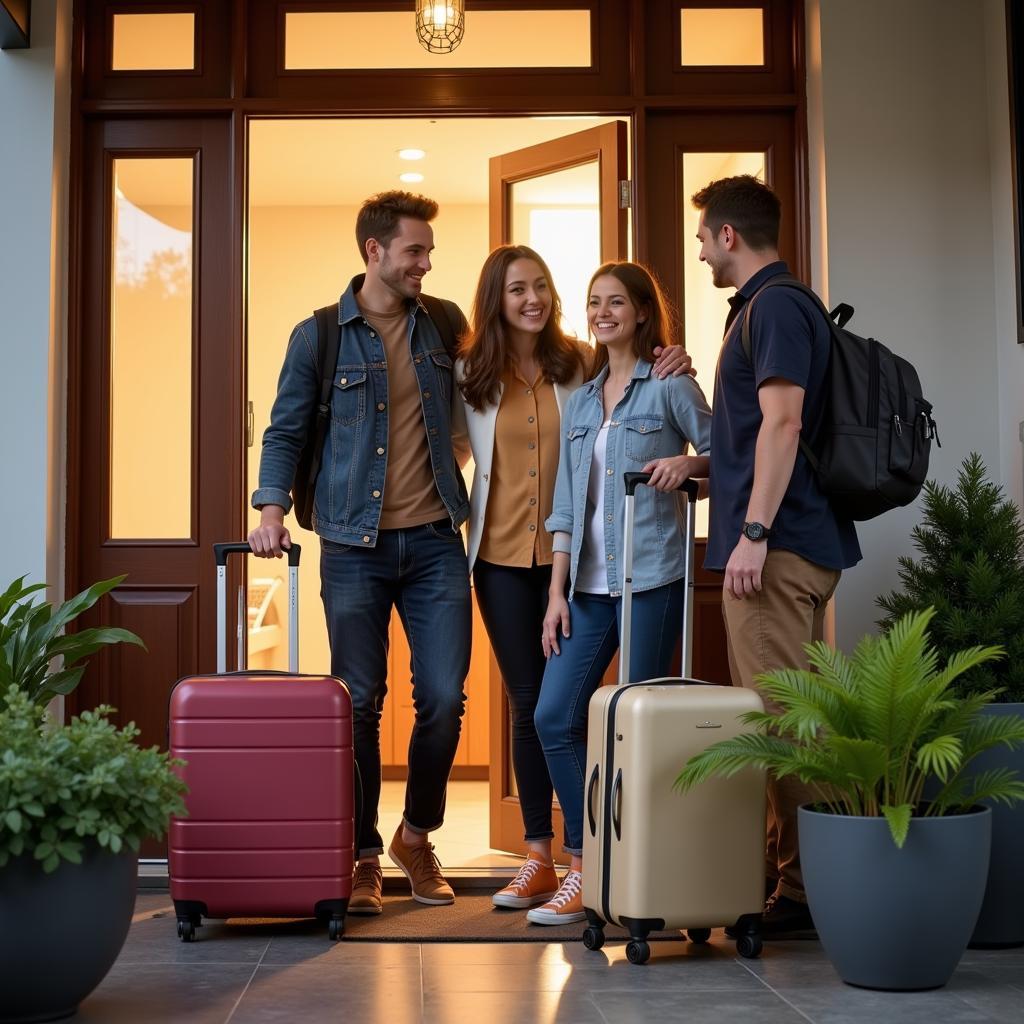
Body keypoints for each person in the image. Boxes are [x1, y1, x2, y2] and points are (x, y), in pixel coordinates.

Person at [248, 191, 473, 916]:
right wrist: (270, 510)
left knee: (443, 697)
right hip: (352, 542)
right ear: (374, 252)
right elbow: (283, 431)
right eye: (415, 250)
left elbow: (509, 378)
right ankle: (364, 854)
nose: (426, 263)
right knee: (359, 704)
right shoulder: (318, 335)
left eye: (428, 251)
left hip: (437, 538)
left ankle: (417, 834)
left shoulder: (443, 324)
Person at [454, 246, 691, 913]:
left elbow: (650, 388)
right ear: (495, 300)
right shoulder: (469, 373)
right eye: (518, 290)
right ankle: (542, 854)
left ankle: (614, 860)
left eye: (543, 288)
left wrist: (675, 358)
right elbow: (448, 448)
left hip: (599, 566)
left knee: (600, 710)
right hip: (508, 561)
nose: (533, 299)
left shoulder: (582, 366)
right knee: (533, 706)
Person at [692, 174, 861, 937]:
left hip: (778, 547)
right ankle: (790, 880)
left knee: (784, 724)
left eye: (703, 237)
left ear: (730, 235)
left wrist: (754, 534)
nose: (699, 251)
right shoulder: (766, 309)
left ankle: (801, 895)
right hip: (788, 542)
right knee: (789, 716)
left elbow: (783, 424)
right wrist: (694, 469)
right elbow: (748, 434)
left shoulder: (778, 307)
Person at [528, 261, 712, 925]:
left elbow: (727, 455)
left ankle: (637, 873)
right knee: (555, 716)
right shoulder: (581, 399)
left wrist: (693, 464)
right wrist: (555, 592)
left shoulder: (670, 385)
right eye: (594, 303)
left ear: (639, 311)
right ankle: (586, 863)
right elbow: (565, 508)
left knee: (635, 731)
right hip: (584, 589)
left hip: (652, 580)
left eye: (616, 302)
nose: (603, 312)